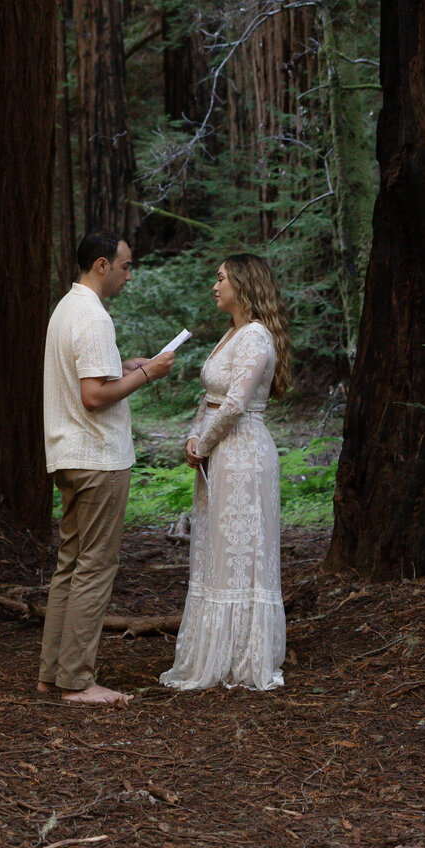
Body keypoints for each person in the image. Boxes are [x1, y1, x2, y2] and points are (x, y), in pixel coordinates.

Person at [37, 230, 176, 705]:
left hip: (69, 455)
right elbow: (93, 396)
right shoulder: (94, 317)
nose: (128, 274)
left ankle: (52, 673)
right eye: (124, 266)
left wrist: (127, 364)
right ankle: (77, 680)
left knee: (70, 566)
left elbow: (89, 375)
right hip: (97, 458)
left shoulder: (65, 309)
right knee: (94, 568)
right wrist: (146, 373)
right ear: (101, 265)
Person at [160, 253, 291, 692]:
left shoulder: (255, 336)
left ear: (242, 283)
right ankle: (212, 653)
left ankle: (244, 658)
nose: (214, 286)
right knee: (217, 552)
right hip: (220, 454)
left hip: (244, 454)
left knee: (242, 554)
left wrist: (206, 442)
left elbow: (236, 403)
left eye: (220, 278)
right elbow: (212, 399)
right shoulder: (231, 333)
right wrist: (194, 437)